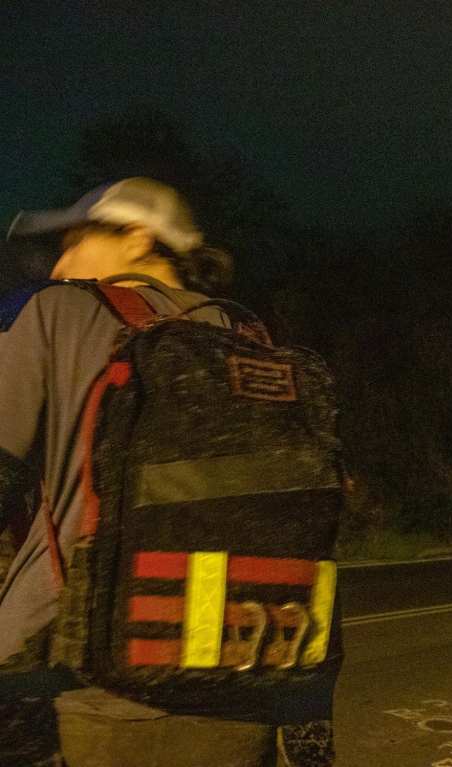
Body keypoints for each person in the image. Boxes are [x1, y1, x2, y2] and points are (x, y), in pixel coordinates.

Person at [0, 178, 282, 766]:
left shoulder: (57, 311)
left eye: (74, 243)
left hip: (75, 675)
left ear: (136, 238)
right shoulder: (247, 337)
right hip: (237, 668)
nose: (59, 265)